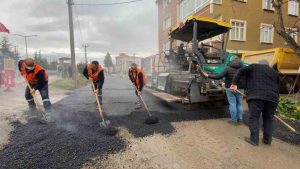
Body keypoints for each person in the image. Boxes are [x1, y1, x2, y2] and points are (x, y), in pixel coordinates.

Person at [230, 59, 279, 146]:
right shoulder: (274, 72)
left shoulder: (254, 67)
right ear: (268, 65)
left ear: (259, 63)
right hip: (273, 98)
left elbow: (240, 71)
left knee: (254, 118)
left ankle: (254, 140)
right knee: (268, 119)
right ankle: (267, 140)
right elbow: (278, 85)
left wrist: (234, 83)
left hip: (256, 96)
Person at [203, 56, 245, 124]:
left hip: (230, 88)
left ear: (231, 61)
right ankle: (240, 120)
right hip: (240, 88)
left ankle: (234, 120)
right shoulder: (243, 68)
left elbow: (218, 76)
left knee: (233, 104)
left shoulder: (228, 68)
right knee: (239, 104)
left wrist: (208, 75)